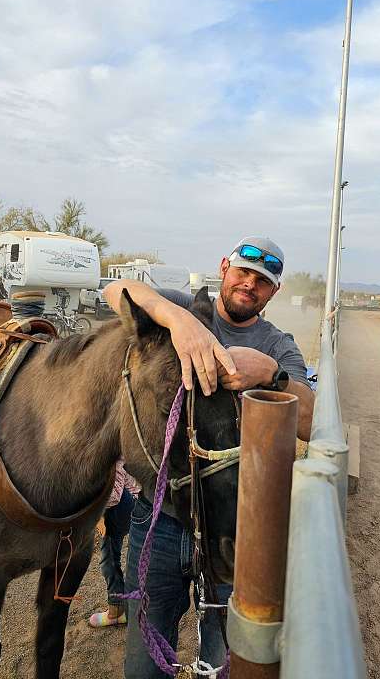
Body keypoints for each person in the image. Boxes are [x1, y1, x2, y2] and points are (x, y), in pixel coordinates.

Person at [104, 236, 315, 679]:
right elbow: (116, 290)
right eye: (243, 272)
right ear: (224, 267)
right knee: (143, 663)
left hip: (235, 525)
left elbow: (312, 422)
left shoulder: (278, 346)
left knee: (226, 659)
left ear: (273, 293)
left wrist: (272, 376)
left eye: (262, 281)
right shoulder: (183, 308)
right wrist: (177, 320)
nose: (249, 285)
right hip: (159, 516)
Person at [87, 461, 139, 628]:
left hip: (124, 505)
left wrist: (95, 515)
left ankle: (117, 611)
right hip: (134, 501)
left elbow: (114, 497)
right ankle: (129, 605)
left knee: (108, 559)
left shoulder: (110, 450)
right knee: (124, 555)